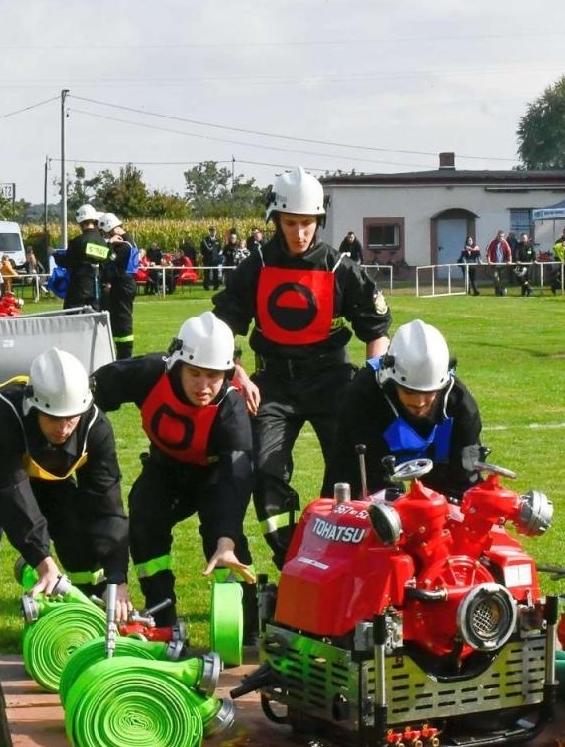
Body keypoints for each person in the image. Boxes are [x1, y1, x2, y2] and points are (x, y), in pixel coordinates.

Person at [0, 348, 129, 705]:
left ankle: (90, 633)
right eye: (54, 419)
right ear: (35, 406)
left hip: (45, 472)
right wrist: (41, 557)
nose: (64, 429)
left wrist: (117, 578)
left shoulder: (95, 427)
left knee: (78, 536)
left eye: (71, 419)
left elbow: (107, 505)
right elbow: (8, 492)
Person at [212, 167, 391, 563]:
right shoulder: (255, 266)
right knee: (264, 469)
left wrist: (372, 381)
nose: (299, 232)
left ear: (319, 221)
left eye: (307, 223)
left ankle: (345, 554)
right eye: (290, 223)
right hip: (272, 383)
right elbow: (221, 329)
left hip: (332, 380)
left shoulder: (338, 267)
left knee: (356, 466)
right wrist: (237, 372)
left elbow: (376, 328)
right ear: (275, 220)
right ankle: (292, 558)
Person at [92, 312, 256, 630]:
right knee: (143, 522)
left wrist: (226, 542)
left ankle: (246, 625)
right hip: (164, 468)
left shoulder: (232, 410)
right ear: (176, 365)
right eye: (195, 373)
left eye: (214, 376)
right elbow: (93, 391)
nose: (204, 386)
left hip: (214, 476)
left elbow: (234, 481)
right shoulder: (150, 373)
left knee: (224, 537)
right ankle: (163, 618)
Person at [337, 319, 483, 500]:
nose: (419, 402)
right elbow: (361, 474)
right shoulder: (363, 395)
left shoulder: (461, 407)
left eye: (429, 393)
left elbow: (467, 478)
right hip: (372, 462)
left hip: (441, 466)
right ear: (390, 378)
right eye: (409, 391)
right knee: (341, 499)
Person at [53, 203, 110, 310]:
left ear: (80, 222)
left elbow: (67, 262)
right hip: (97, 286)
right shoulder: (103, 242)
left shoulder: (77, 242)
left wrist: (55, 254)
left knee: (72, 317)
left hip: (78, 286)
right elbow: (106, 263)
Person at [100, 212, 140, 359]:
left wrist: (109, 245)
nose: (106, 235)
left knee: (122, 321)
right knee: (118, 320)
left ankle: (124, 355)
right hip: (125, 284)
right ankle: (122, 354)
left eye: (107, 233)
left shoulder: (123, 244)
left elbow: (110, 264)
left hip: (122, 286)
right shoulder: (128, 240)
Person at [485, 229, 512, 296]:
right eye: (500, 236)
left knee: (501, 279)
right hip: (494, 264)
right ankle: (501, 290)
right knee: (495, 277)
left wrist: (509, 260)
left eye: (502, 236)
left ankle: (498, 292)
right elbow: (489, 252)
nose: (501, 238)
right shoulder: (493, 242)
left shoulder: (505, 243)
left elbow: (509, 252)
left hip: (502, 264)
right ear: (497, 236)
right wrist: (489, 260)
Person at [200, 227, 224, 292]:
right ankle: (206, 287)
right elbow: (202, 249)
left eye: (214, 231)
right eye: (211, 231)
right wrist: (206, 255)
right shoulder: (205, 240)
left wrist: (215, 256)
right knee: (206, 274)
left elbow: (219, 249)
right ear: (209, 232)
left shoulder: (218, 240)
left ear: (215, 232)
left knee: (215, 273)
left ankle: (216, 286)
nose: (213, 232)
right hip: (207, 259)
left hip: (215, 260)